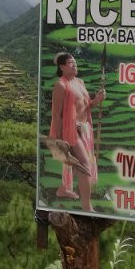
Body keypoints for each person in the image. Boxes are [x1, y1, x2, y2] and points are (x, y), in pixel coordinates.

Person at [49, 53, 105, 212]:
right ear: (62, 67)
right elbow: (56, 114)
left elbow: (86, 106)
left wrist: (96, 101)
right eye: (70, 63)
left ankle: (62, 189)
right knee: (84, 165)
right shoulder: (61, 85)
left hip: (85, 128)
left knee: (74, 163)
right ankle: (87, 206)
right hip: (71, 130)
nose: (75, 65)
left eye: (75, 62)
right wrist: (59, 138)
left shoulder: (79, 82)